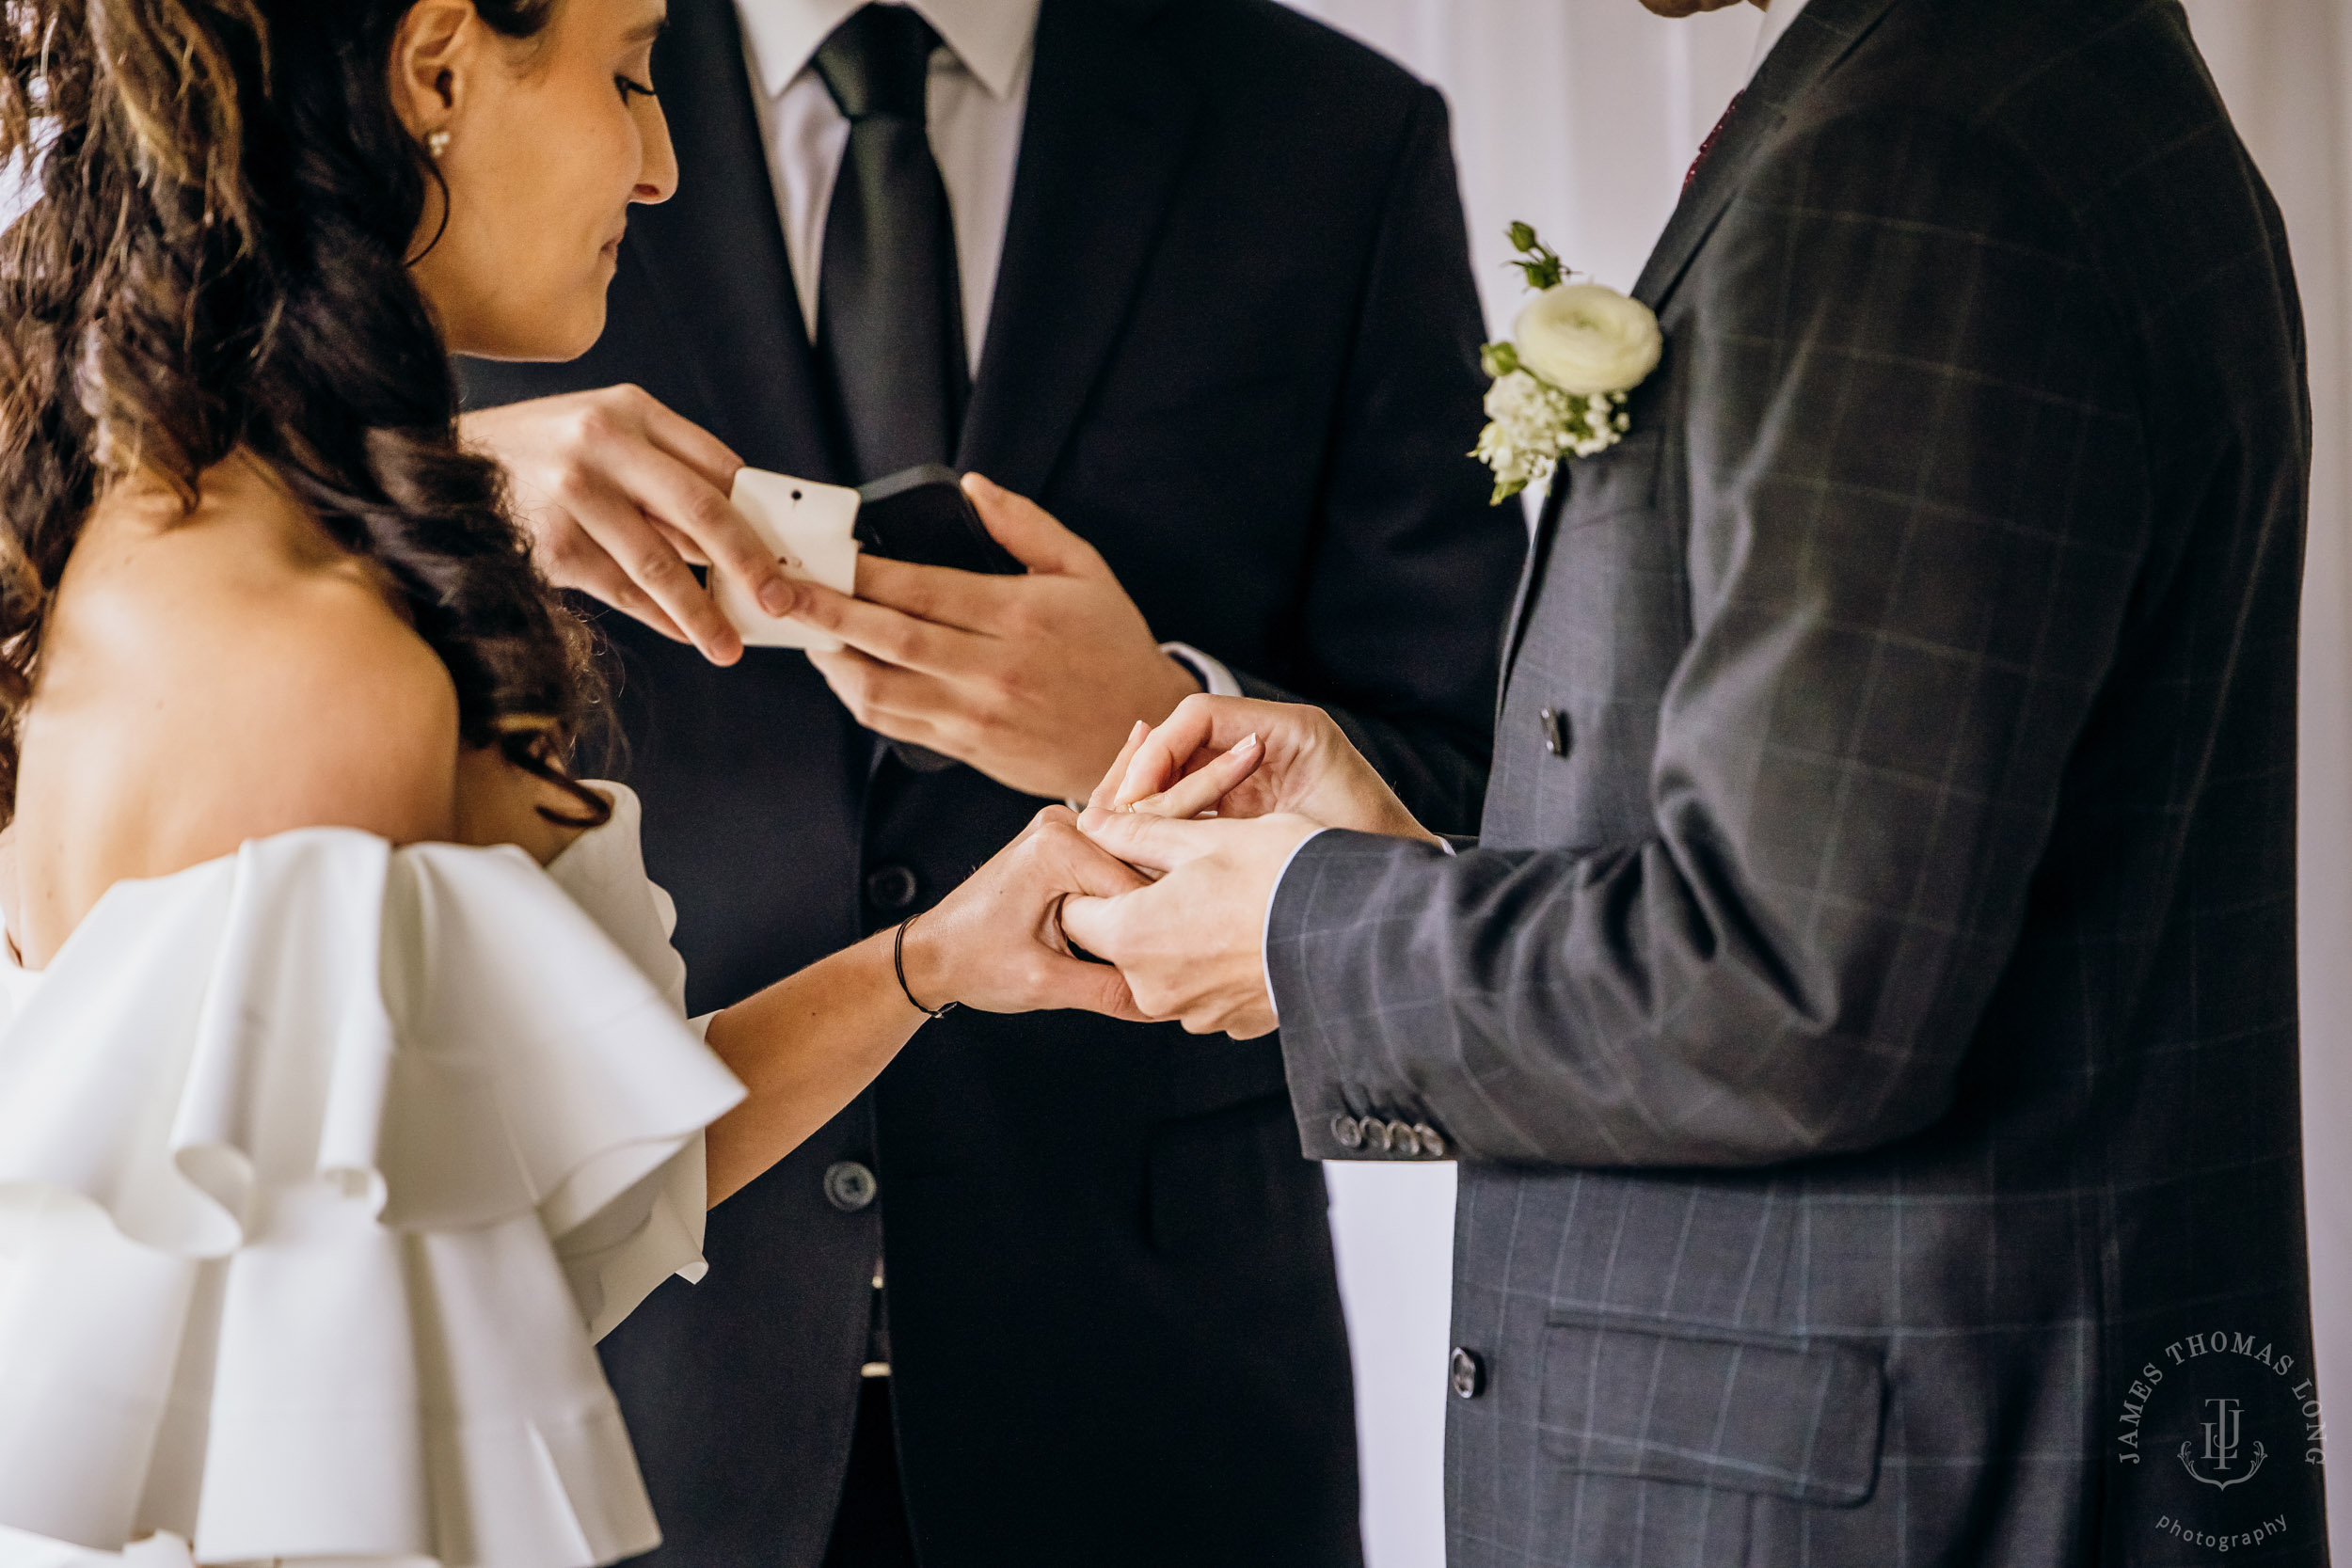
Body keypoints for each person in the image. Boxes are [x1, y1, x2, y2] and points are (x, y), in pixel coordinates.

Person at [1047, 0, 2327, 1561]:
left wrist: (1303, 932)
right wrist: (1404, 854)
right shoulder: (2043, 74)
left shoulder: (1920, 161)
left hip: (1862, 1495)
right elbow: (1859, 868)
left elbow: (1794, 992)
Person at [0, 1, 1151, 1564]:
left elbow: (519, 1210)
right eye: (628, 71)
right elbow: (324, 1477)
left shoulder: (163, 515)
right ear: (438, 68)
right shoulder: (326, 666)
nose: (666, 164)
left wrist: (931, 962)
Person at [455, 0, 1525, 1562]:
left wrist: (1159, 725)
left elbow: (1481, 784)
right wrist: (453, 477)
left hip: (1147, 1389)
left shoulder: (1328, 135)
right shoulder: (522, 70)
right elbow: (150, 489)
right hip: (626, 1372)